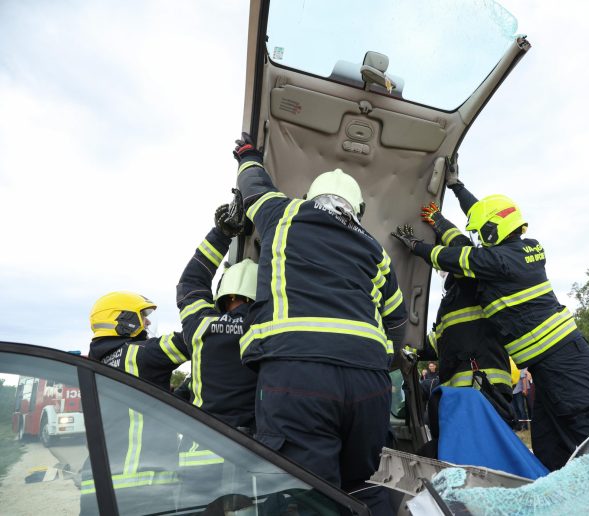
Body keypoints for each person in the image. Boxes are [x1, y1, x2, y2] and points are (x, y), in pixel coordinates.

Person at [233, 133, 407, 515]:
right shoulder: (375, 250)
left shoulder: (282, 215)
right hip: (368, 383)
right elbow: (397, 321)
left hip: (298, 376)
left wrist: (248, 155)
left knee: (306, 496)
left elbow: (253, 185)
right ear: (356, 210)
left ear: (312, 197)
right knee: (363, 486)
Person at [392, 171, 589, 471]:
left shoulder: (495, 262)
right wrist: (456, 187)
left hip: (563, 363)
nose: (480, 239)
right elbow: (479, 220)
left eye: (483, 234)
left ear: (493, 232)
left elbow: (452, 256)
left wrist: (416, 246)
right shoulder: (522, 249)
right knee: (548, 447)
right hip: (550, 366)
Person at [83, 292, 191, 514]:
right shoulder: (141, 355)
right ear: (123, 320)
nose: (148, 321)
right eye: (143, 315)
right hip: (143, 490)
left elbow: (150, 408)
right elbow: (194, 339)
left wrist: (186, 388)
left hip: (99, 484)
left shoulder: (94, 366)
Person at [418, 202, 514, 412]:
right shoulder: (451, 298)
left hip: (485, 388)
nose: (439, 270)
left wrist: (439, 223)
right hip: (461, 392)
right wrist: (409, 349)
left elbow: (462, 249)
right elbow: (438, 343)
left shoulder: (472, 282)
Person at [176, 203, 258, 431]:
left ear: (223, 293)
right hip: (251, 450)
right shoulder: (264, 327)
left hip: (199, 448)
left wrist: (221, 235)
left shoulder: (200, 325)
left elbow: (191, 282)